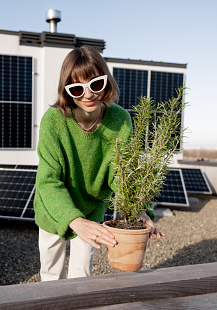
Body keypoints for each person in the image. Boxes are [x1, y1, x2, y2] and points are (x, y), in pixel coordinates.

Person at [34, 46, 164, 281]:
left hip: (91, 208)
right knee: (51, 274)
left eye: (95, 84)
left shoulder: (120, 119)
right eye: (77, 88)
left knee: (82, 274)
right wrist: (74, 221)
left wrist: (139, 210)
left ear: (106, 81)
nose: (88, 94)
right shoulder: (53, 121)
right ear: (67, 90)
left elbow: (122, 174)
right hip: (53, 210)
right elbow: (48, 181)